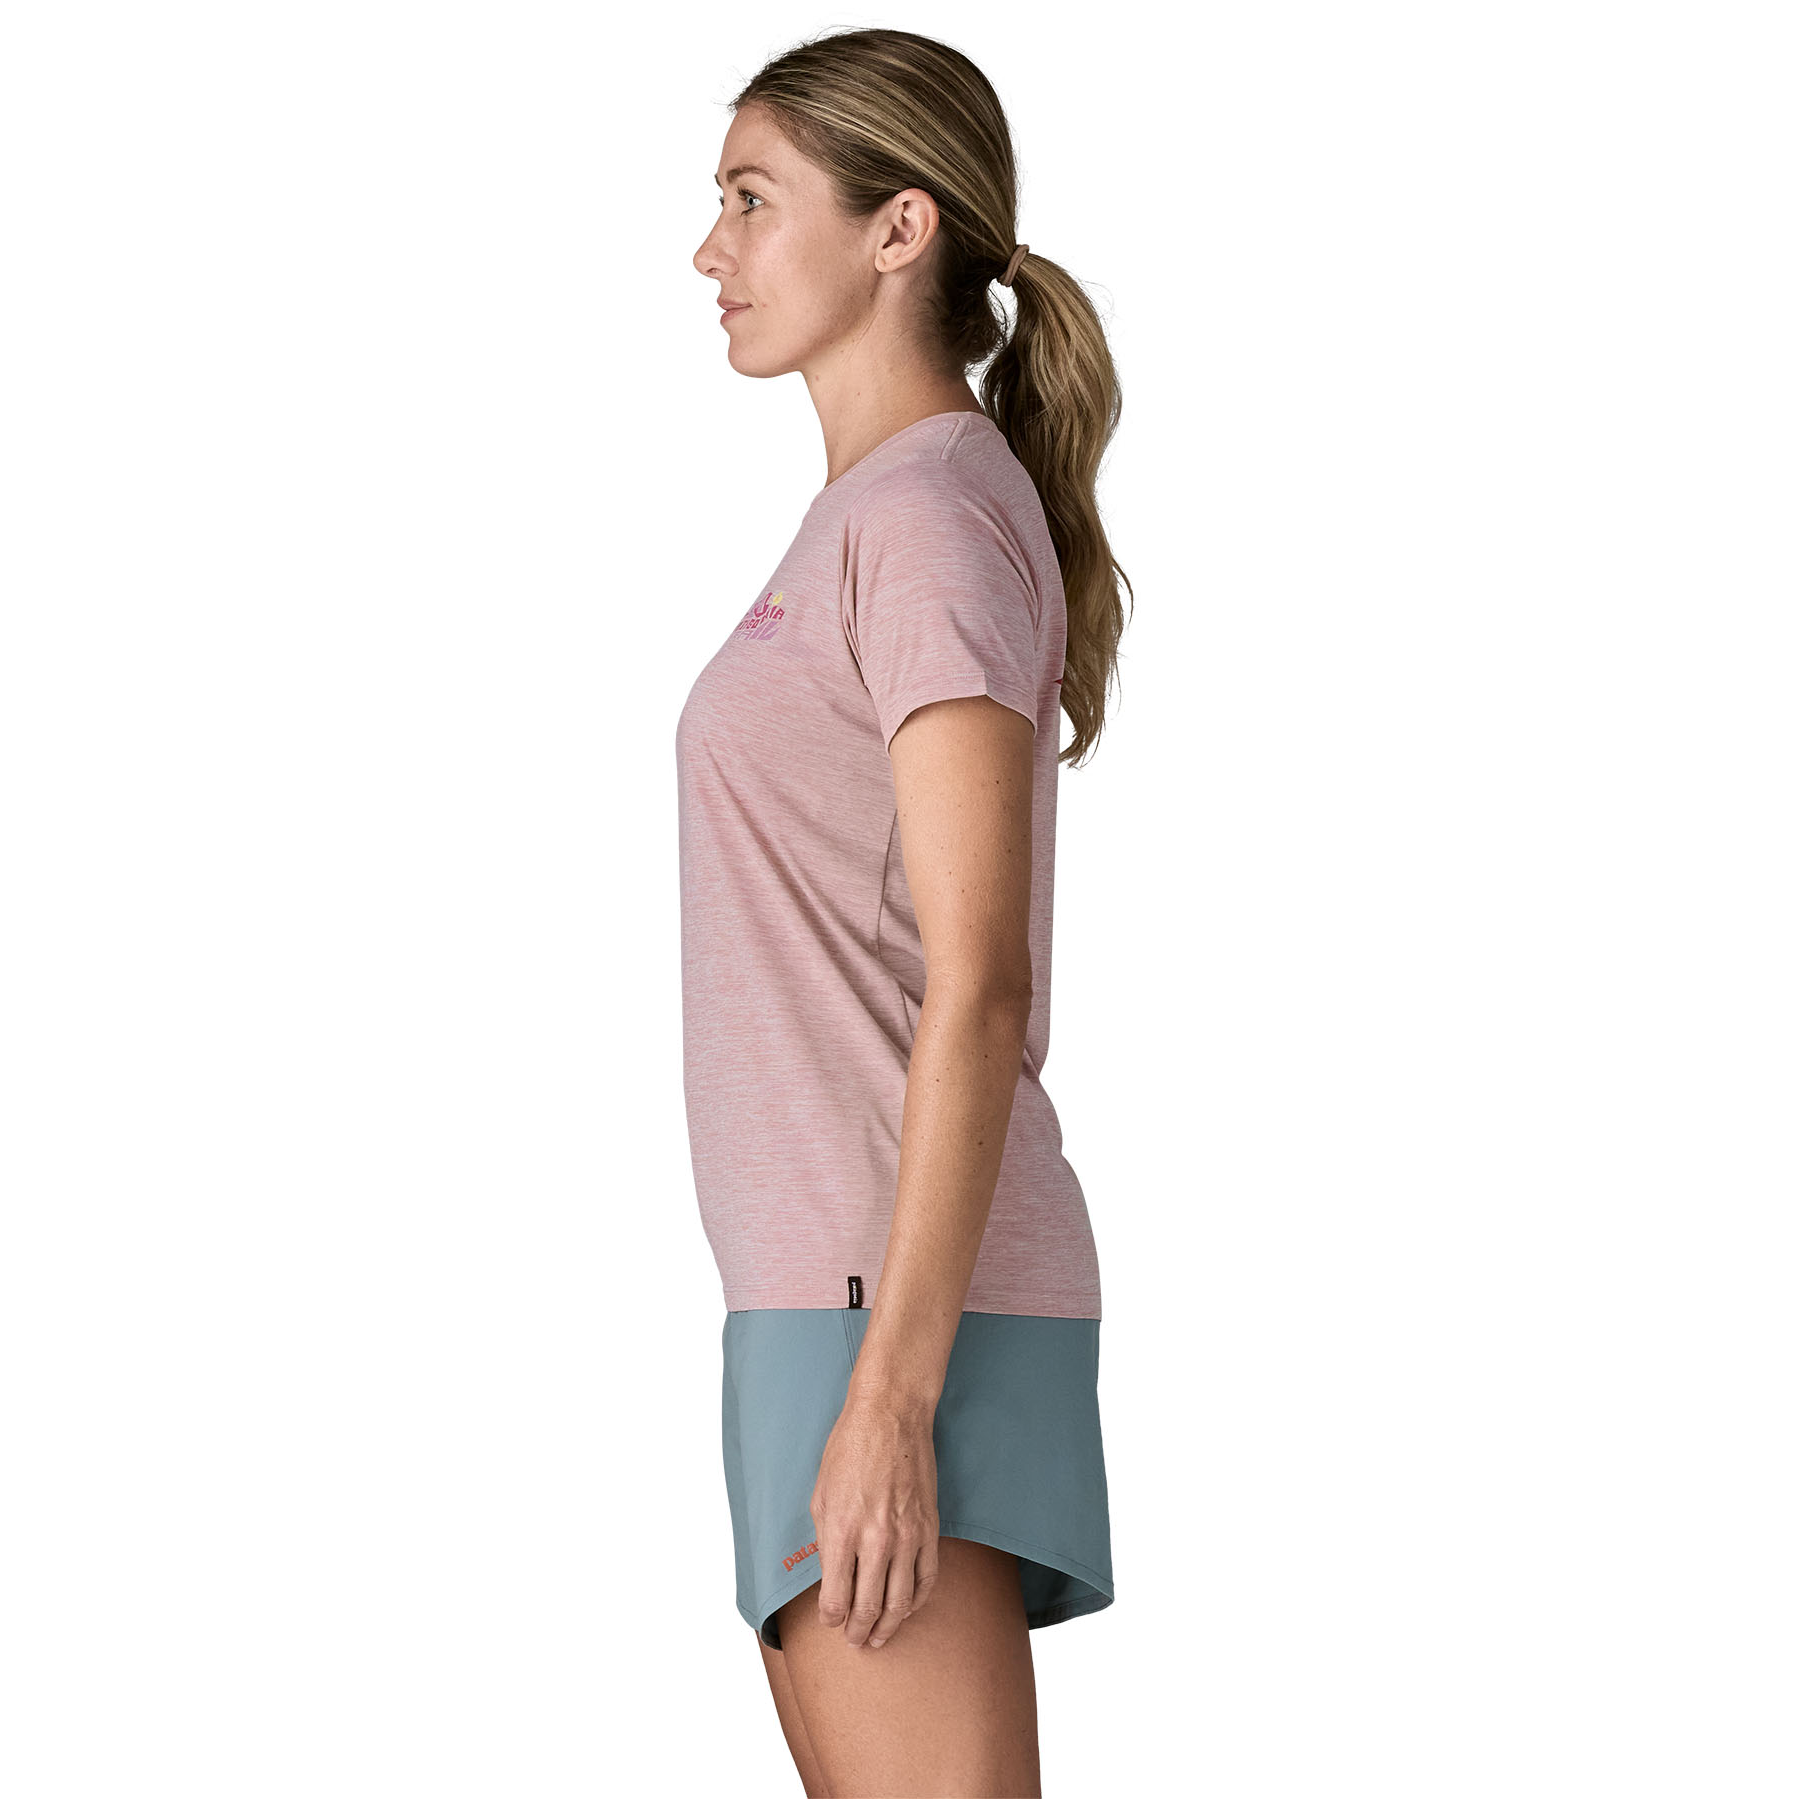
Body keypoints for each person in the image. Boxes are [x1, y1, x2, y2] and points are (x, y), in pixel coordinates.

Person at [678, 27, 1132, 1796]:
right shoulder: (880, 513)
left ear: (898, 227)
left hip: (892, 1310)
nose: (709, 248)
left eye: (751, 197)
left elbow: (979, 981)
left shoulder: (930, 517)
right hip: (830, 1295)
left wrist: (889, 1389)